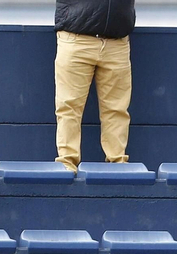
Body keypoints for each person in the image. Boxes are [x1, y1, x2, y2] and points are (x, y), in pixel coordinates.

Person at [53, 0, 133, 172]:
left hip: (116, 42)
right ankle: (66, 164)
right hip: (76, 37)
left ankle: (118, 164)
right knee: (69, 106)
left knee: (117, 109)